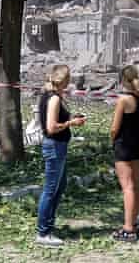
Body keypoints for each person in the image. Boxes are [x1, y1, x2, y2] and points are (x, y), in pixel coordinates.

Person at [36, 64, 86, 247]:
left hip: (58, 146)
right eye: (69, 78)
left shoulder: (53, 96)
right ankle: (43, 232)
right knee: (50, 189)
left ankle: (49, 224)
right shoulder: (54, 98)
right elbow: (51, 127)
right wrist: (71, 122)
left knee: (60, 185)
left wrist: (71, 118)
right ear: (64, 79)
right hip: (54, 145)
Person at [110, 65, 139, 242]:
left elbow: (114, 128)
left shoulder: (123, 100)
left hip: (123, 146)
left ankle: (128, 228)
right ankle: (133, 221)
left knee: (127, 187)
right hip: (137, 145)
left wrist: (112, 139)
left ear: (122, 80)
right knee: (135, 185)